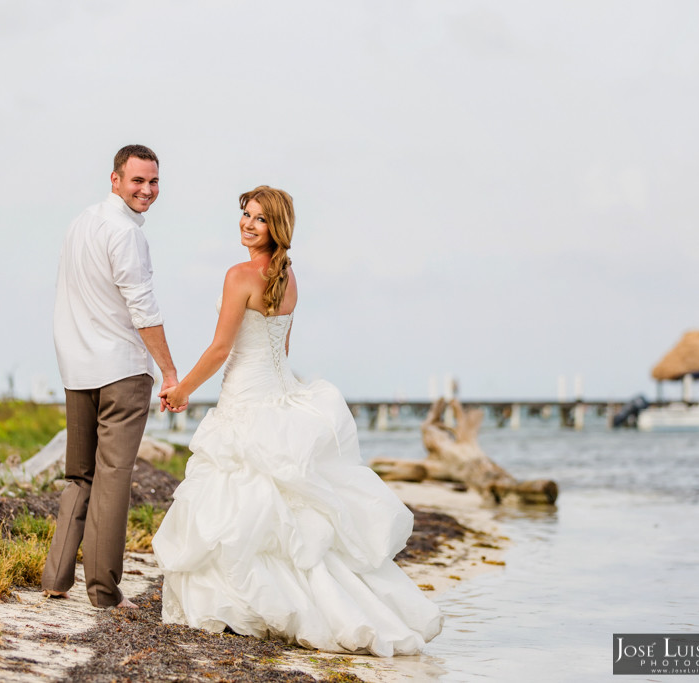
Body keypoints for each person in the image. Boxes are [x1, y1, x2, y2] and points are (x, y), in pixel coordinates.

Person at [153, 186, 442, 655]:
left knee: (241, 502)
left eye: (259, 219)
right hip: (277, 390)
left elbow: (222, 348)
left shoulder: (239, 275)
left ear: (277, 227)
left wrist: (182, 388)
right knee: (279, 507)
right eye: (245, 215)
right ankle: (319, 604)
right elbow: (281, 347)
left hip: (247, 396)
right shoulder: (288, 278)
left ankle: (245, 604)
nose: (248, 224)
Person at [42, 144, 182, 609]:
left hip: (78, 367)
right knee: (112, 477)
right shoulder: (126, 233)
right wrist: (168, 370)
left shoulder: (81, 222)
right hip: (121, 368)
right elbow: (143, 309)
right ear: (115, 179)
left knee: (79, 476)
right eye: (138, 180)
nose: (147, 190)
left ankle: (56, 577)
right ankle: (103, 591)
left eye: (154, 181)